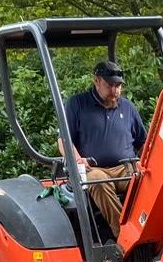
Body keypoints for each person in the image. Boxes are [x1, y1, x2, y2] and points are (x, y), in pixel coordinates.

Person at [62, 59, 148, 238]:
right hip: (94, 169)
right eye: (110, 85)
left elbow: (143, 143)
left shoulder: (128, 107)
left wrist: (149, 165)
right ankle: (125, 236)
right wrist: (77, 160)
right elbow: (64, 140)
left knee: (148, 180)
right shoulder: (78, 104)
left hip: (125, 168)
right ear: (97, 81)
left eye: (118, 86)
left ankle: (151, 231)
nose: (115, 90)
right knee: (98, 181)